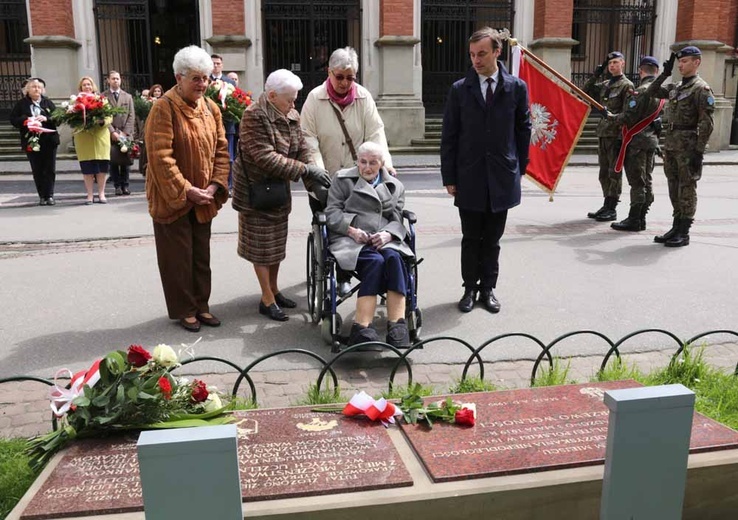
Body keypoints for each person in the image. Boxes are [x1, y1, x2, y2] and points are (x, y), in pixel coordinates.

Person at [440, 27, 531, 314]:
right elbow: (449, 135)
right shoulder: (459, 89)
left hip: (502, 176)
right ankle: (469, 288)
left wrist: (520, 166)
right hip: (469, 176)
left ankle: (488, 288)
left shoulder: (516, 87)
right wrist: (450, 177)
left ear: (497, 52)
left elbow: (523, 128)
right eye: (472, 55)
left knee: (492, 239)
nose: (476, 60)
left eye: (481, 54)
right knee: (471, 238)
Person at [233, 69, 331, 322]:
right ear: (272, 95)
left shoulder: (291, 114)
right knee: (260, 249)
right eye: (290, 99)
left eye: (295, 99)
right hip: (256, 192)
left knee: (275, 247)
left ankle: (274, 290)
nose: (293, 103)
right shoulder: (253, 115)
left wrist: (314, 173)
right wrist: (304, 170)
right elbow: (264, 157)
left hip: (276, 191)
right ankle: (266, 299)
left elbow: (302, 148)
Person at [145, 45, 230, 332]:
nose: (202, 84)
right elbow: (160, 157)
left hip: (204, 196)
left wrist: (215, 184)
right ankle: (185, 310)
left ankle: (202, 306)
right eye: (195, 78)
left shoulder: (211, 108)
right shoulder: (163, 108)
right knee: (177, 259)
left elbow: (221, 149)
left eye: (205, 78)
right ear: (178, 78)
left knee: (200, 258)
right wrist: (186, 190)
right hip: (174, 199)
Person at [300, 46, 394, 295]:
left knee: (363, 223)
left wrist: (384, 162)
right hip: (327, 178)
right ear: (329, 72)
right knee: (335, 228)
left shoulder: (364, 97)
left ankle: (369, 269)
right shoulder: (314, 98)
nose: (344, 82)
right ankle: (340, 275)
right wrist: (320, 174)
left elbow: (376, 133)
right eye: (339, 76)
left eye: (350, 77)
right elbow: (308, 139)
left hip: (358, 178)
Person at [325, 142, 414, 347]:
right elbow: (332, 213)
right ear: (357, 161)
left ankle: (397, 325)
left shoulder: (395, 186)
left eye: (373, 163)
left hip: (383, 239)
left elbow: (398, 219)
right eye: (363, 162)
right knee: (374, 262)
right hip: (350, 239)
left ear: (382, 163)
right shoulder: (342, 180)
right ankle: (362, 327)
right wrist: (352, 230)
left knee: (394, 259)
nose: (367, 167)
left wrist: (388, 235)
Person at [644, 46, 715, 247]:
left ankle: (684, 231)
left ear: (696, 62)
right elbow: (651, 92)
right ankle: (676, 226)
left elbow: (707, 123)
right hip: (672, 143)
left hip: (688, 145)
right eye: (679, 62)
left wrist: (699, 151)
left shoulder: (701, 89)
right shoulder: (676, 87)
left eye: (685, 62)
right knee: (673, 186)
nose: (681, 65)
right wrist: (664, 74)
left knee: (687, 188)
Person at [607, 56, 663, 232]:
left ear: (641, 71)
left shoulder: (639, 92)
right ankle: (641, 217)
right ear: (657, 71)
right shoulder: (661, 92)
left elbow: (628, 117)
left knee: (637, 183)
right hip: (651, 140)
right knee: (647, 180)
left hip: (636, 141)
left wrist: (612, 117)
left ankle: (634, 219)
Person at [583, 51, 634, 222]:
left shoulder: (627, 86)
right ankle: (606, 203)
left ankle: (612, 207)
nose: (612, 66)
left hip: (616, 134)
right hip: (603, 133)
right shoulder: (604, 84)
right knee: (604, 172)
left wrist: (620, 131)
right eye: (610, 63)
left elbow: (628, 112)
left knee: (614, 172)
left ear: (623, 64)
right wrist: (596, 73)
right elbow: (585, 91)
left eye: (615, 62)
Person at [9, 77, 60, 206]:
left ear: (42, 90)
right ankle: (42, 196)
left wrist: (46, 118)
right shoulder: (22, 104)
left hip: (49, 141)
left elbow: (58, 119)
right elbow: (13, 120)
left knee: (50, 169)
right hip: (31, 141)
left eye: (39, 87)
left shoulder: (48, 103)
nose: (37, 89)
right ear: (27, 90)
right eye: (33, 87)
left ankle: (50, 195)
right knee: (37, 169)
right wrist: (26, 120)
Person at [74, 76, 111, 204]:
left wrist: (101, 121)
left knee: (102, 169)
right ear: (81, 87)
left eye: (89, 84)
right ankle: (90, 195)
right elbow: (71, 118)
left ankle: (101, 194)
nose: (87, 87)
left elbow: (109, 116)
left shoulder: (102, 100)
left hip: (100, 138)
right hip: (84, 139)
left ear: (93, 86)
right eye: (84, 85)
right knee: (87, 169)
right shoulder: (76, 101)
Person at [103, 70, 135, 196]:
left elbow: (131, 116)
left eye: (117, 78)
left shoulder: (128, 96)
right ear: (108, 81)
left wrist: (125, 133)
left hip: (125, 134)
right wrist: (112, 132)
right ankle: (117, 186)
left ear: (120, 80)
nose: (115, 80)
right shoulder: (103, 97)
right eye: (113, 78)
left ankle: (125, 185)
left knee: (126, 161)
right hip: (111, 133)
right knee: (114, 161)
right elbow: (104, 115)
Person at [210, 55, 238, 192]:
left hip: (228, 125)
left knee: (229, 157)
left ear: (222, 65)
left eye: (218, 63)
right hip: (210, 126)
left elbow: (235, 102)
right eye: (213, 63)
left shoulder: (229, 82)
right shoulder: (205, 81)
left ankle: (229, 186)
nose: (215, 66)